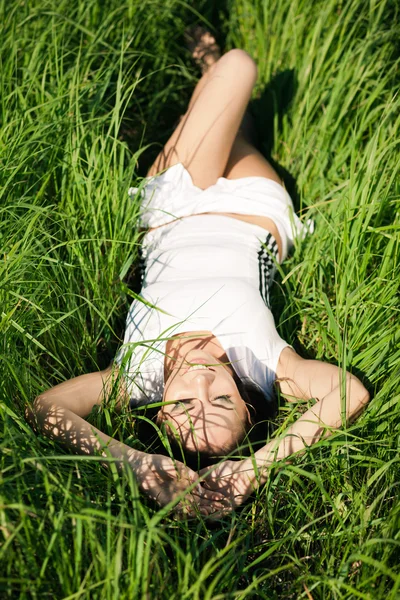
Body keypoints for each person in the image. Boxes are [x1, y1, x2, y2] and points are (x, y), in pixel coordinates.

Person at [27, 31, 370, 518]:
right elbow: (349, 393)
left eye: (185, 405)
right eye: (224, 403)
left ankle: (208, 74)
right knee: (237, 129)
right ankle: (207, 88)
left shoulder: (134, 378)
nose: (203, 381)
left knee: (237, 69)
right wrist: (254, 469)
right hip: (254, 211)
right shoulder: (265, 368)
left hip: (175, 208)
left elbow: (46, 410)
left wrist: (133, 464)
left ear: (162, 412)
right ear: (248, 405)